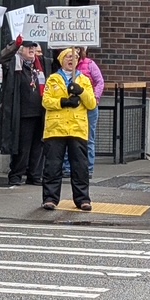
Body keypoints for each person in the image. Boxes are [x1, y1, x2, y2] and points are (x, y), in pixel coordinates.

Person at [41, 47, 96, 211]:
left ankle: (83, 199)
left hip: (77, 128)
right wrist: (63, 102)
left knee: (80, 167)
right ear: (61, 60)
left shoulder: (84, 80)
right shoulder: (53, 79)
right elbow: (46, 101)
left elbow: (91, 103)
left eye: (75, 57)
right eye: (68, 56)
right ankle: (50, 198)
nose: (72, 59)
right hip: (55, 128)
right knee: (52, 166)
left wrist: (81, 92)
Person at [0, 35, 52, 186]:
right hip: (22, 113)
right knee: (23, 147)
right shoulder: (14, 63)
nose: (32, 49)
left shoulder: (41, 64)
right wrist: (16, 44)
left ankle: (34, 175)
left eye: (34, 47)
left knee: (38, 146)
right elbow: (2, 58)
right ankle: (16, 175)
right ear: (21, 50)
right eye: (28, 47)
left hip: (40, 112)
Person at [63, 46, 104, 177]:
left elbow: (99, 81)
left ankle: (88, 168)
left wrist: (95, 98)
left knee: (89, 138)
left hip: (88, 105)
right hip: (73, 106)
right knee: (69, 135)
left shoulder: (90, 64)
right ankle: (67, 168)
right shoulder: (65, 67)